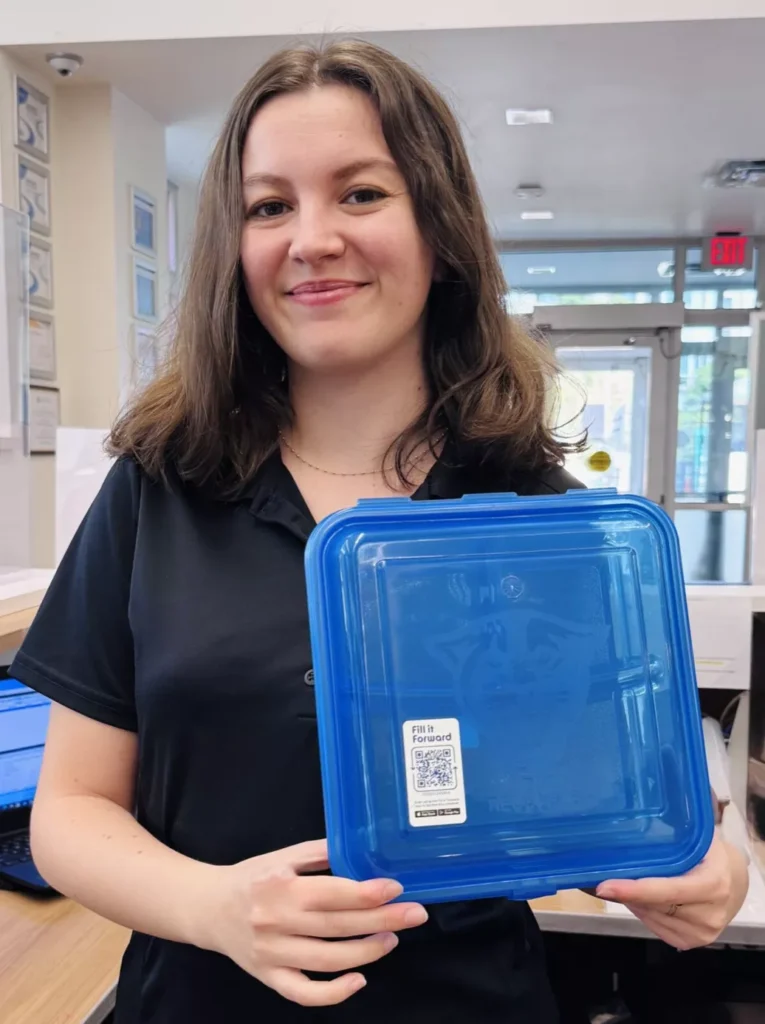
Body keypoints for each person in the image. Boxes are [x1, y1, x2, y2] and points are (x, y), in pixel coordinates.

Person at [10, 40, 748, 1024]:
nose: (311, 238)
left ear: (439, 228)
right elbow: (68, 811)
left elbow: (632, 794)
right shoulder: (159, 487)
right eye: (270, 206)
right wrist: (217, 905)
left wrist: (707, 868)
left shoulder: (545, 514)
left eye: (360, 193)